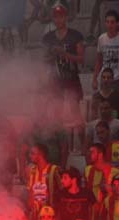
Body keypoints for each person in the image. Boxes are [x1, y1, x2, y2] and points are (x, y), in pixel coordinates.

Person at [42, 4, 85, 133]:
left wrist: (64, 53)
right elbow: (43, 60)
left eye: (61, 17)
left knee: (75, 111)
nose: (58, 20)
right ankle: (60, 142)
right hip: (56, 79)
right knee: (57, 111)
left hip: (71, 77)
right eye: (56, 17)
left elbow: (81, 59)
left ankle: (83, 143)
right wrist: (52, 55)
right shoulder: (48, 38)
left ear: (66, 18)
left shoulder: (75, 35)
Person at [94, 10, 119, 99]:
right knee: (104, 106)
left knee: (117, 107)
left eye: (112, 22)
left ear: (117, 24)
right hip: (104, 79)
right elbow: (99, 61)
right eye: (107, 22)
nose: (109, 25)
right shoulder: (101, 39)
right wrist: (94, 79)